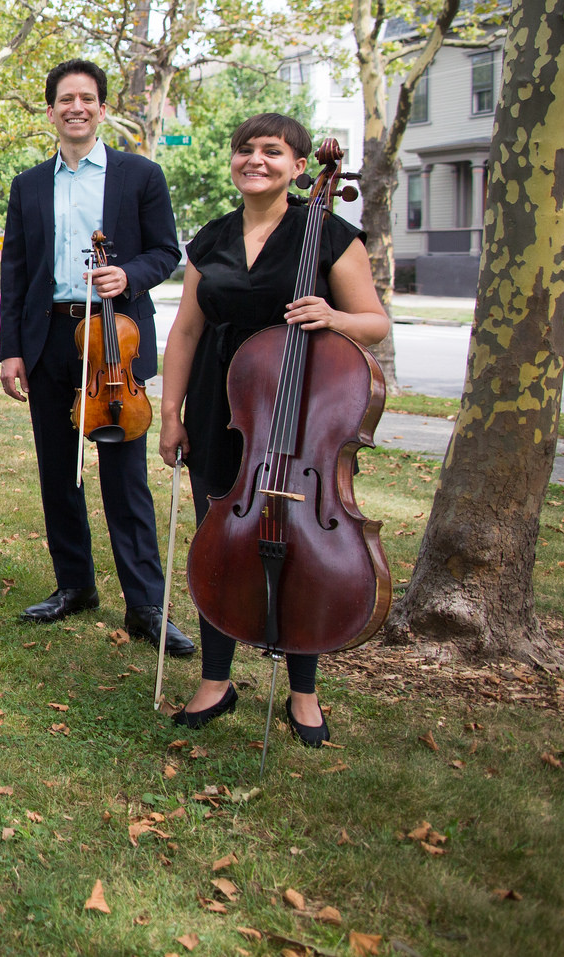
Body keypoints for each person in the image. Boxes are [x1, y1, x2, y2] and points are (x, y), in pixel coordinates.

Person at [157, 113, 390, 747]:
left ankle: (303, 691)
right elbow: (186, 331)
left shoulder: (329, 232)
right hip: (222, 402)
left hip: (303, 414)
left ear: (298, 166)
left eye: (272, 151)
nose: (254, 160)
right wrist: (171, 413)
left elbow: (374, 322)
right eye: (244, 150)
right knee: (222, 536)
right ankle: (215, 681)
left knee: (302, 541)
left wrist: (333, 316)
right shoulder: (212, 237)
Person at [0, 59, 194, 656]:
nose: (76, 107)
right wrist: (12, 351)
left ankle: (146, 604)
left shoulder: (141, 175)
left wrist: (128, 274)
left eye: (87, 98)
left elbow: (166, 252)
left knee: (124, 477)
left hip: (115, 339)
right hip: (50, 338)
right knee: (58, 472)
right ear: (51, 111)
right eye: (65, 99)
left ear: (103, 109)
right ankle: (75, 585)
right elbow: (16, 271)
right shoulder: (29, 184)